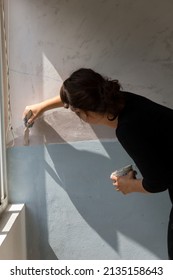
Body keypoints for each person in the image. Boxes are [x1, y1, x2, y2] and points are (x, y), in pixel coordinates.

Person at [23, 68, 173, 259]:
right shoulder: (121, 98)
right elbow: (79, 93)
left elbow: (158, 181)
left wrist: (129, 185)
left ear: (84, 113)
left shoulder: (127, 129)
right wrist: (42, 106)